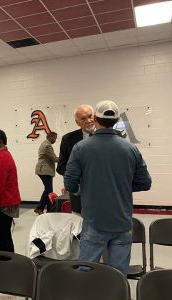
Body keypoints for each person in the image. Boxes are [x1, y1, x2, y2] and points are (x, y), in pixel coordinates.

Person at [64, 100, 152, 276]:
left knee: (86, 272)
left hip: (94, 222)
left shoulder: (80, 148)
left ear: (95, 118)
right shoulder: (130, 148)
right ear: (117, 119)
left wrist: (87, 188)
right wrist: (121, 186)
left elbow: (70, 183)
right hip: (122, 222)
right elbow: (145, 183)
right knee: (118, 275)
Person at [56, 104, 95, 214]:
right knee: (79, 225)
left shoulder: (109, 136)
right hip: (78, 196)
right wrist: (77, 175)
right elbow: (61, 167)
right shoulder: (68, 139)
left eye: (90, 116)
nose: (88, 120)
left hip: (103, 195)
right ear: (77, 123)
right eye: (83, 118)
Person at [34, 131, 60, 215]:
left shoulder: (45, 144)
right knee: (48, 190)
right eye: (55, 138)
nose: (55, 140)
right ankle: (39, 208)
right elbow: (55, 158)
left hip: (44, 170)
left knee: (49, 190)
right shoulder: (47, 145)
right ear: (51, 137)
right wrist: (65, 159)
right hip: (44, 170)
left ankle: (49, 209)